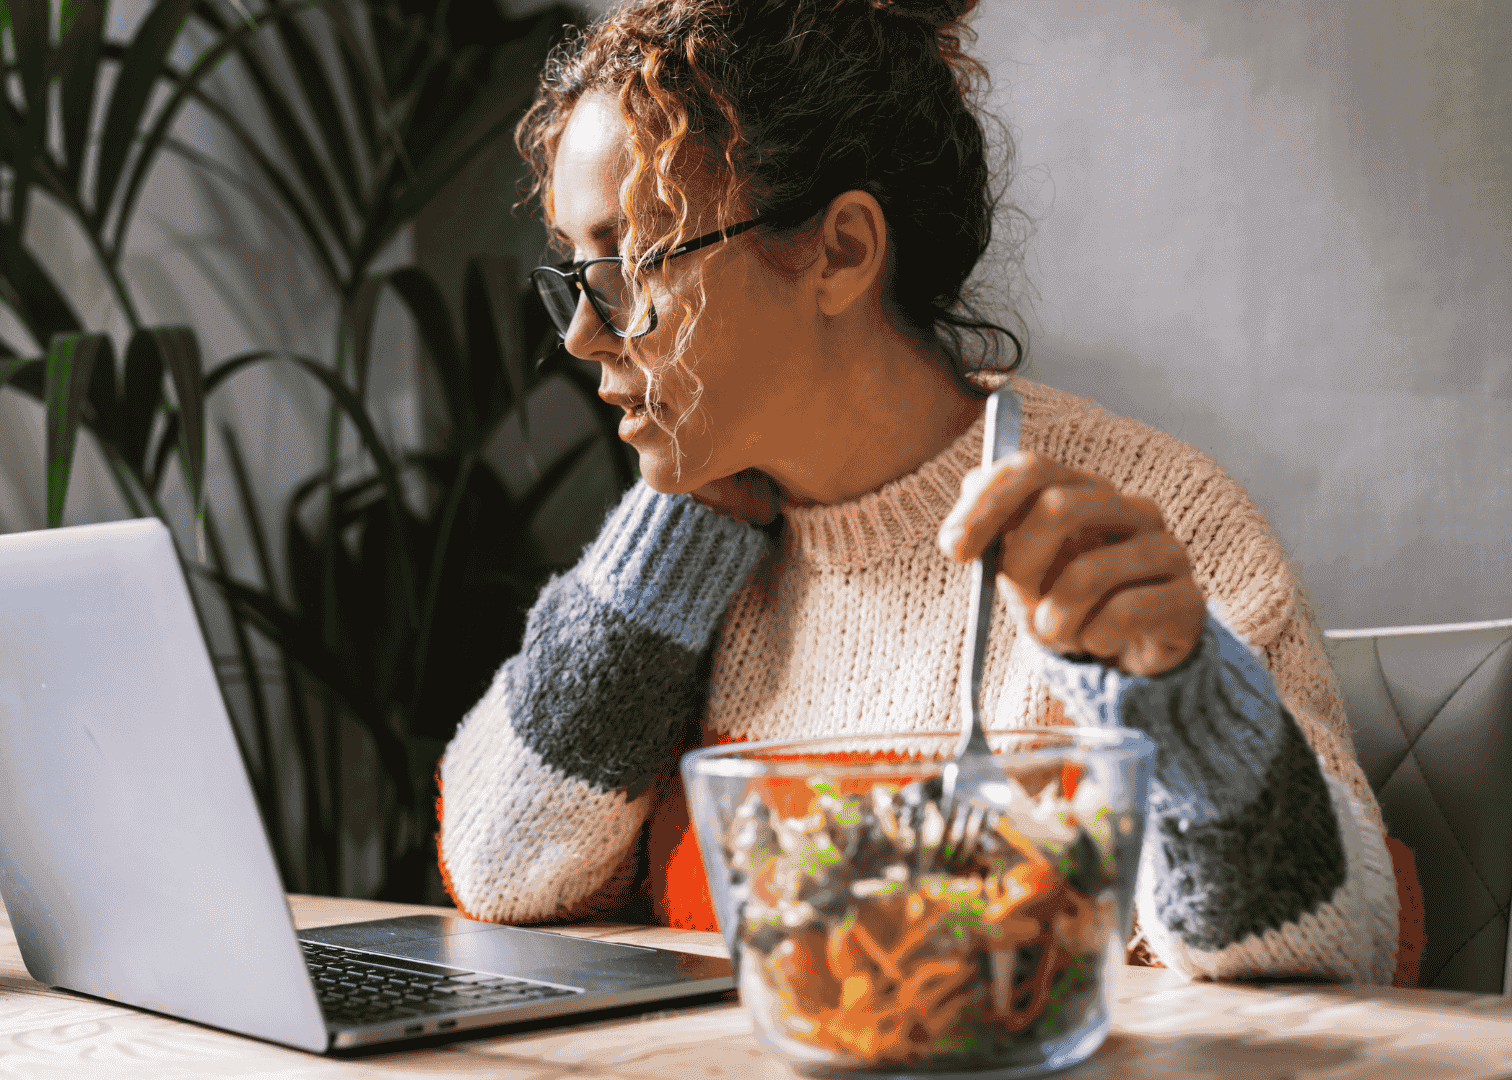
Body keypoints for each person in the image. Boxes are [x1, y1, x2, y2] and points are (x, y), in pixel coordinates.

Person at [437, 0, 1398, 984]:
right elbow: (502, 865)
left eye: (633, 263)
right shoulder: (698, 557)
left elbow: (1330, 953)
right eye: (576, 271)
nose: (581, 336)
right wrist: (676, 530)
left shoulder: (1143, 533)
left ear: (842, 251)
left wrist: (1182, 690)